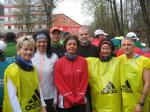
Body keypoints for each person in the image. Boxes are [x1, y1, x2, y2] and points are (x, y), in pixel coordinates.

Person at [3, 36, 46, 112]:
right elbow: (12, 96)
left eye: (31, 49)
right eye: (25, 49)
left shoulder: (33, 68)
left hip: (36, 108)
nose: (29, 52)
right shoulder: (12, 70)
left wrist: (42, 105)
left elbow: (38, 87)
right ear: (19, 50)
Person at [54, 35, 88, 112]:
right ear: (65, 46)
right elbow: (59, 82)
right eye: (69, 44)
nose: (72, 46)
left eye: (74, 44)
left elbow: (84, 81)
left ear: (77, 46)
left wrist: (79, 97)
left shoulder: (83, 61)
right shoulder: (59, 63)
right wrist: (70, 97)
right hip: (65, 102)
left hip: (80, 101)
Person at [86, 39, 121, 112]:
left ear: (111, 50)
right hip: (98, 104)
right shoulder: (92, 62)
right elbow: (78, 60)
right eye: (103, 48)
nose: (105, 51)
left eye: (107, 48)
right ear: (100, 50)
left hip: (115, 103)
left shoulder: (118, 61)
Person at [119, 37, 150, 112]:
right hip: (125, 103)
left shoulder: (144, 61)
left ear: (133, 46)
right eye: (123, 45)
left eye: (129, 44)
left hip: (139, 103)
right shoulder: (120, 59)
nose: (126, 47)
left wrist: (141, 103)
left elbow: (147, 82)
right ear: (121, 47)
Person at [32, 30, 58, 112]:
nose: (42, 44)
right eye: (39, 42)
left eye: (44, 42)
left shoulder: (54, 57)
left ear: (48, 43)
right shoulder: (30, 56)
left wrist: (55, 97)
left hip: (49, 97)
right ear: (35, 43)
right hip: (33, 97)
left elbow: (57, 79)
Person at [78, 26, 99, 112]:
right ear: (78, 36)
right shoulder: (75, 49)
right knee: (82, 104)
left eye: (86, 34)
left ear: (89, 35)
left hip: (94, 81)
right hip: (80, 81)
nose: (84, 36)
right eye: (81, 34)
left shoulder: (95, 49)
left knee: (94, 102)